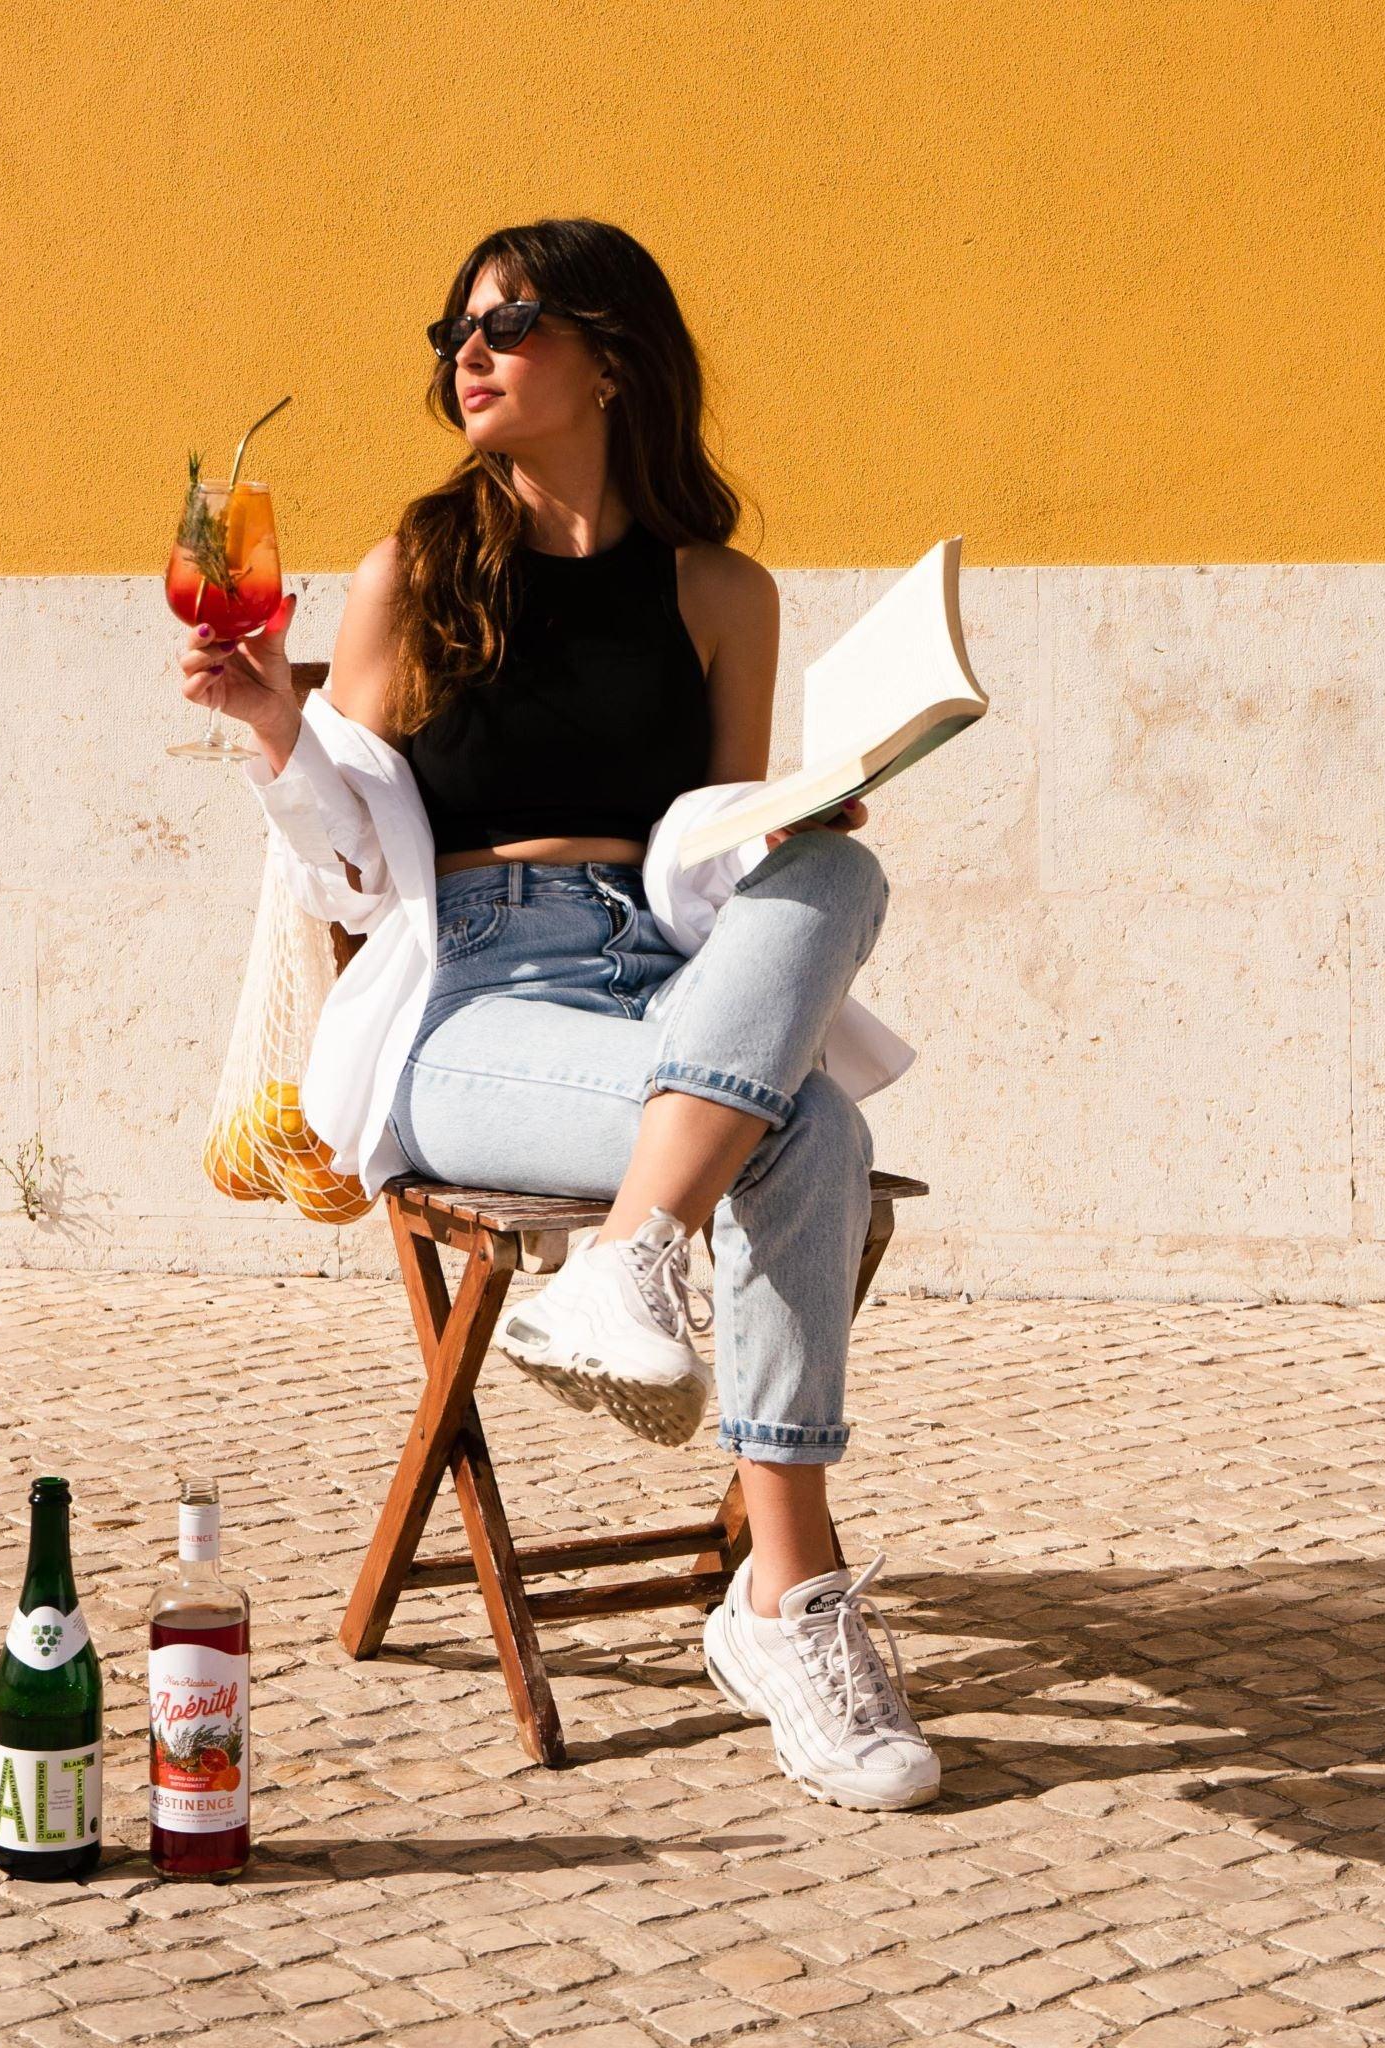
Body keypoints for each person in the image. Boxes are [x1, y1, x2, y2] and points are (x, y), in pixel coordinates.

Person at [179, 217, 938, 1811]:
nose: (472, 352)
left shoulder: (722, 591)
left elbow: (717, 843)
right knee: (809, 1126)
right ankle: (788, 1593)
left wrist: (797, 824)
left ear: (611, 358)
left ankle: (639, 1289)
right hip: (469, 1003)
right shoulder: (414, 568)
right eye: (456, 330)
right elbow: (342, 867)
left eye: (512, 322)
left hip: (662, 986)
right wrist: (273, 729)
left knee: (840, 882)